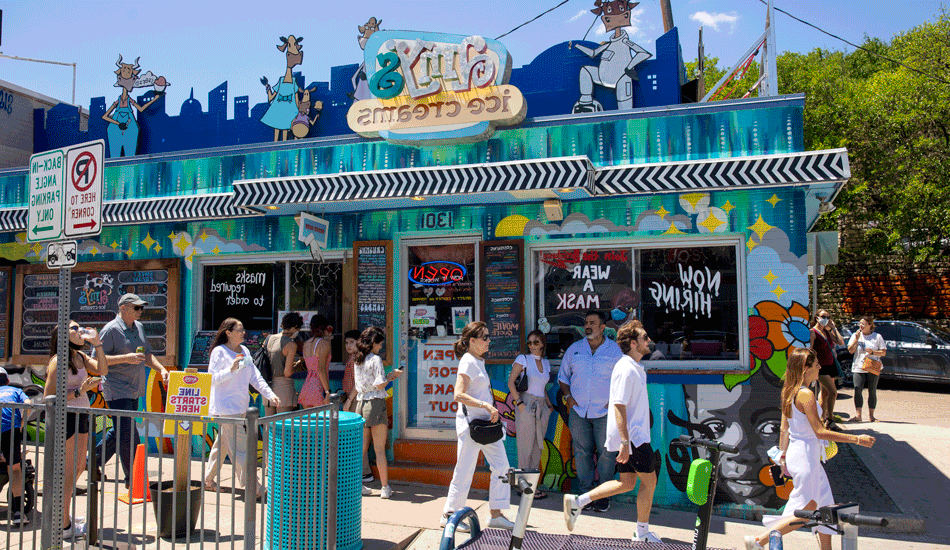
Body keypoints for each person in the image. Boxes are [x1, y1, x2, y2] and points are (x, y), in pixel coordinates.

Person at [744, 347, 876, 550]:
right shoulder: (805, 394)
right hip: (806, 457)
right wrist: (857, 439)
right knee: (806, 511)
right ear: (805, 368)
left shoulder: (790, 391)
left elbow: (783, 429)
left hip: (802, 455)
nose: (820, 367)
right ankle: (758, 541)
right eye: (816, 365)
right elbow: (820, 432)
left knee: (825, 508)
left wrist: (782, 458)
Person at [563, 322, 661, 543]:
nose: (648, 340)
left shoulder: (632, 366)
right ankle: (642, 532)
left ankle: (578, 502)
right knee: (650, 482)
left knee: (626, 483)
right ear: (633, 343)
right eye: (644, 337)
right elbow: (618, 405)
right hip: (633, 438)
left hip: (631, 438)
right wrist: (625, 442)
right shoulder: (627, 368)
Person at [441, 321, 514, 531]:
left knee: (502, 467)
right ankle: (449, 515)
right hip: (472, 425)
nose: (489, 341)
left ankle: (497, 514)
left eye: (489, 337)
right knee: (464, 470)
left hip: (487, 426)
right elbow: (458, 394)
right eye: (485, 337)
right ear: (472, 341)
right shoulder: (467, 362)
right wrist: (485, 405)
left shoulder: (478, 361)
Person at [94, 293, 170, 487]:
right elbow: (95, 361)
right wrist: (124, 358)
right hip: (117, 388)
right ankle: (134, 479)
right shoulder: (110, 330)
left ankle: (92, 462)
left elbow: (146, 354)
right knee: (128, 434)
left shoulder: (139, 328)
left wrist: (161, 369)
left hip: (135, 388)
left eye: (141, 308)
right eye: (136, 308)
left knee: (120, 430)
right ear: (124, 308)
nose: (140, 311)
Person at [43, 322, 108, 538]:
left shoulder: (79, 356)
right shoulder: (58, 361)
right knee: (68, 472)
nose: (79, 330)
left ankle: (65, 516)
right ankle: (63, 526)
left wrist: (97, 343)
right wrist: (81, 390)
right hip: (67, 418)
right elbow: (49, 398)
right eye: (73, 328)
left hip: (81, 416)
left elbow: (102, 369)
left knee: (79, 467)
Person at [204, 318, 279, 496]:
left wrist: (269, 394)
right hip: (226, 408)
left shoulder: (245, 351)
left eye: (243, 329)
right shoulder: (219, 352)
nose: (243, 333)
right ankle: (255, 487)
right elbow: (212, 379)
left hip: (239, 407)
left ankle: (208, 479)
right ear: (228, 332)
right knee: (240, 449)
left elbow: (255, 376)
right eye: (239, 330)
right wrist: (230, 369)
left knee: (222, 443)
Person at [557, 310, 623, 512]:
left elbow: (623, 379)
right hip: (578, 411)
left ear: (603, 327)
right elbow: (563, 376)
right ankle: (585, 496)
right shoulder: (574, 349)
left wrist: (613, 400)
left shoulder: (615, 351)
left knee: (606, 454)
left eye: (592, 323)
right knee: (582, 453)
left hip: (605, 412)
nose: (588, 326)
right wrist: (568, 397)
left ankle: (603, 496)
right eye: (586, 323)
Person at [354, 327, 403, 499]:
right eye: (380, 344)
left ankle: (358, 485)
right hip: (375, 403)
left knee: (361, 449)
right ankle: (384, 487)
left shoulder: (357, 359)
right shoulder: (375, 359)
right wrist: (392, 376)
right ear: (373, 342)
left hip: (360, 403)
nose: (381, 347)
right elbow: (381, 384)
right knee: (380, 449)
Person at [507, 329, 554, 499]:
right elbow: (511, 382)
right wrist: (519, 403)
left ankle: (532, 486)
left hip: (541, 405)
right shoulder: (523, 359)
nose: (532, 346)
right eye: (529, 343)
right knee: (525, 446)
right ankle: (522, 486)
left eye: (536, 342)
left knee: (537, 447)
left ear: (542, 344)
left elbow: (543, 388)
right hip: (526, 403)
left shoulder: (546, 363)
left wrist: (549, 406)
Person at [1, 367, 32, 527]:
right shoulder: (14, 390)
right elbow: (28, 403)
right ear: (7, 380)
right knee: (14, 470)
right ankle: (19, 513)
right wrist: (21, 423)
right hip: (9, 430)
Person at [343, 329, 374, 483]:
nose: (348, 345)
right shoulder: (353, 358)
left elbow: (358, 383)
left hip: (355, 399)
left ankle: (364, 471)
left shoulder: (357, 359)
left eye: (352, 342)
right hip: (352, 398)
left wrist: (349, 400)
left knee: (357, 437)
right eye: (346, 342)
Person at [847, 317, 886, 423]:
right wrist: (856, 338)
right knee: (857, 388)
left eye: (863, 324)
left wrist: (873, 352)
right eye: (860, 323)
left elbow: (883, 352)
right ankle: (858, 415)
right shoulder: (856, 336)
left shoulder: (877, 337)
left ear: (870, 325)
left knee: (872, 390)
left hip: (872, 366)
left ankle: (871, 416)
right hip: (858, 366)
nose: (861, 325)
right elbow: (850, 350)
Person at [809, 309, 844, 427]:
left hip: (830, 365)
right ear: (817, 317)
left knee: (824, 393)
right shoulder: (813, 332)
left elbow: (840, 342)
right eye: (824, 316)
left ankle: (822, 419)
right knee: (833, 392)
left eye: (828, 317)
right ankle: (830, 418)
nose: (826, 319)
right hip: (820, 367)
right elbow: (810, 349)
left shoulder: (827, 332)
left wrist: (834, 328)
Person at [264, 312, 303, 415]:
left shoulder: (269, 339)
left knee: (268, 425)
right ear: (294, 328)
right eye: (298, 329)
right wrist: (297, 365)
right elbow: (287, 372)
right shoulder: (291, 344)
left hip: (267, 384)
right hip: (283, 386)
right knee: (282, 426)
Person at [299, 315, 332, 408]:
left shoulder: (306, 344)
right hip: (319, 387)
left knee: (309, 422)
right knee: (323, 421)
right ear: (325, 327)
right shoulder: (323, 343)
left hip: (307, 386)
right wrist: (327, 392)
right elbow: (321, 370)